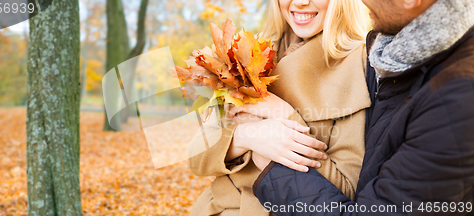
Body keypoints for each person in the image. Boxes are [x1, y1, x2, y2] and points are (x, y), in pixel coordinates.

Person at [253, 0, 474, 215]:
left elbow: (357, 192)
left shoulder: (456, 100)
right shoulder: (395, 60)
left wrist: (274, 168)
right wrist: (244, 135)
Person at [188, 0, 371, 215]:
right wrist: (245, 136)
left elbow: (346, 192)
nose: (301, 2)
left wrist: (283, 114)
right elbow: (196, 157)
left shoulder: (359, 64)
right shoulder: (252, 52)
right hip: (215, 208)